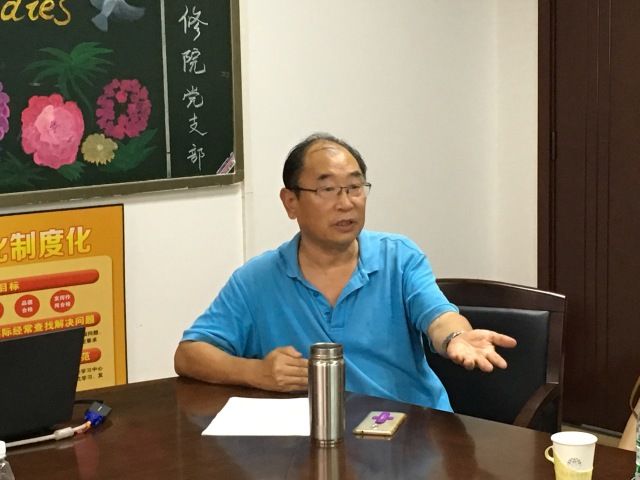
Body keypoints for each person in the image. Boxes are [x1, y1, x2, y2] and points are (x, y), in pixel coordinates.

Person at [174, 132, 517, 410]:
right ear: (290, 202)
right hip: (315, 442)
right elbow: (189, 355)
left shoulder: (399, 257)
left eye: (355, 188)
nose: (346, 203)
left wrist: (456, 337)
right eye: (327, 189)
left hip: (412, 436)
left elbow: (439, 317)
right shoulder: (257, 279)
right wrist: (255, 372)